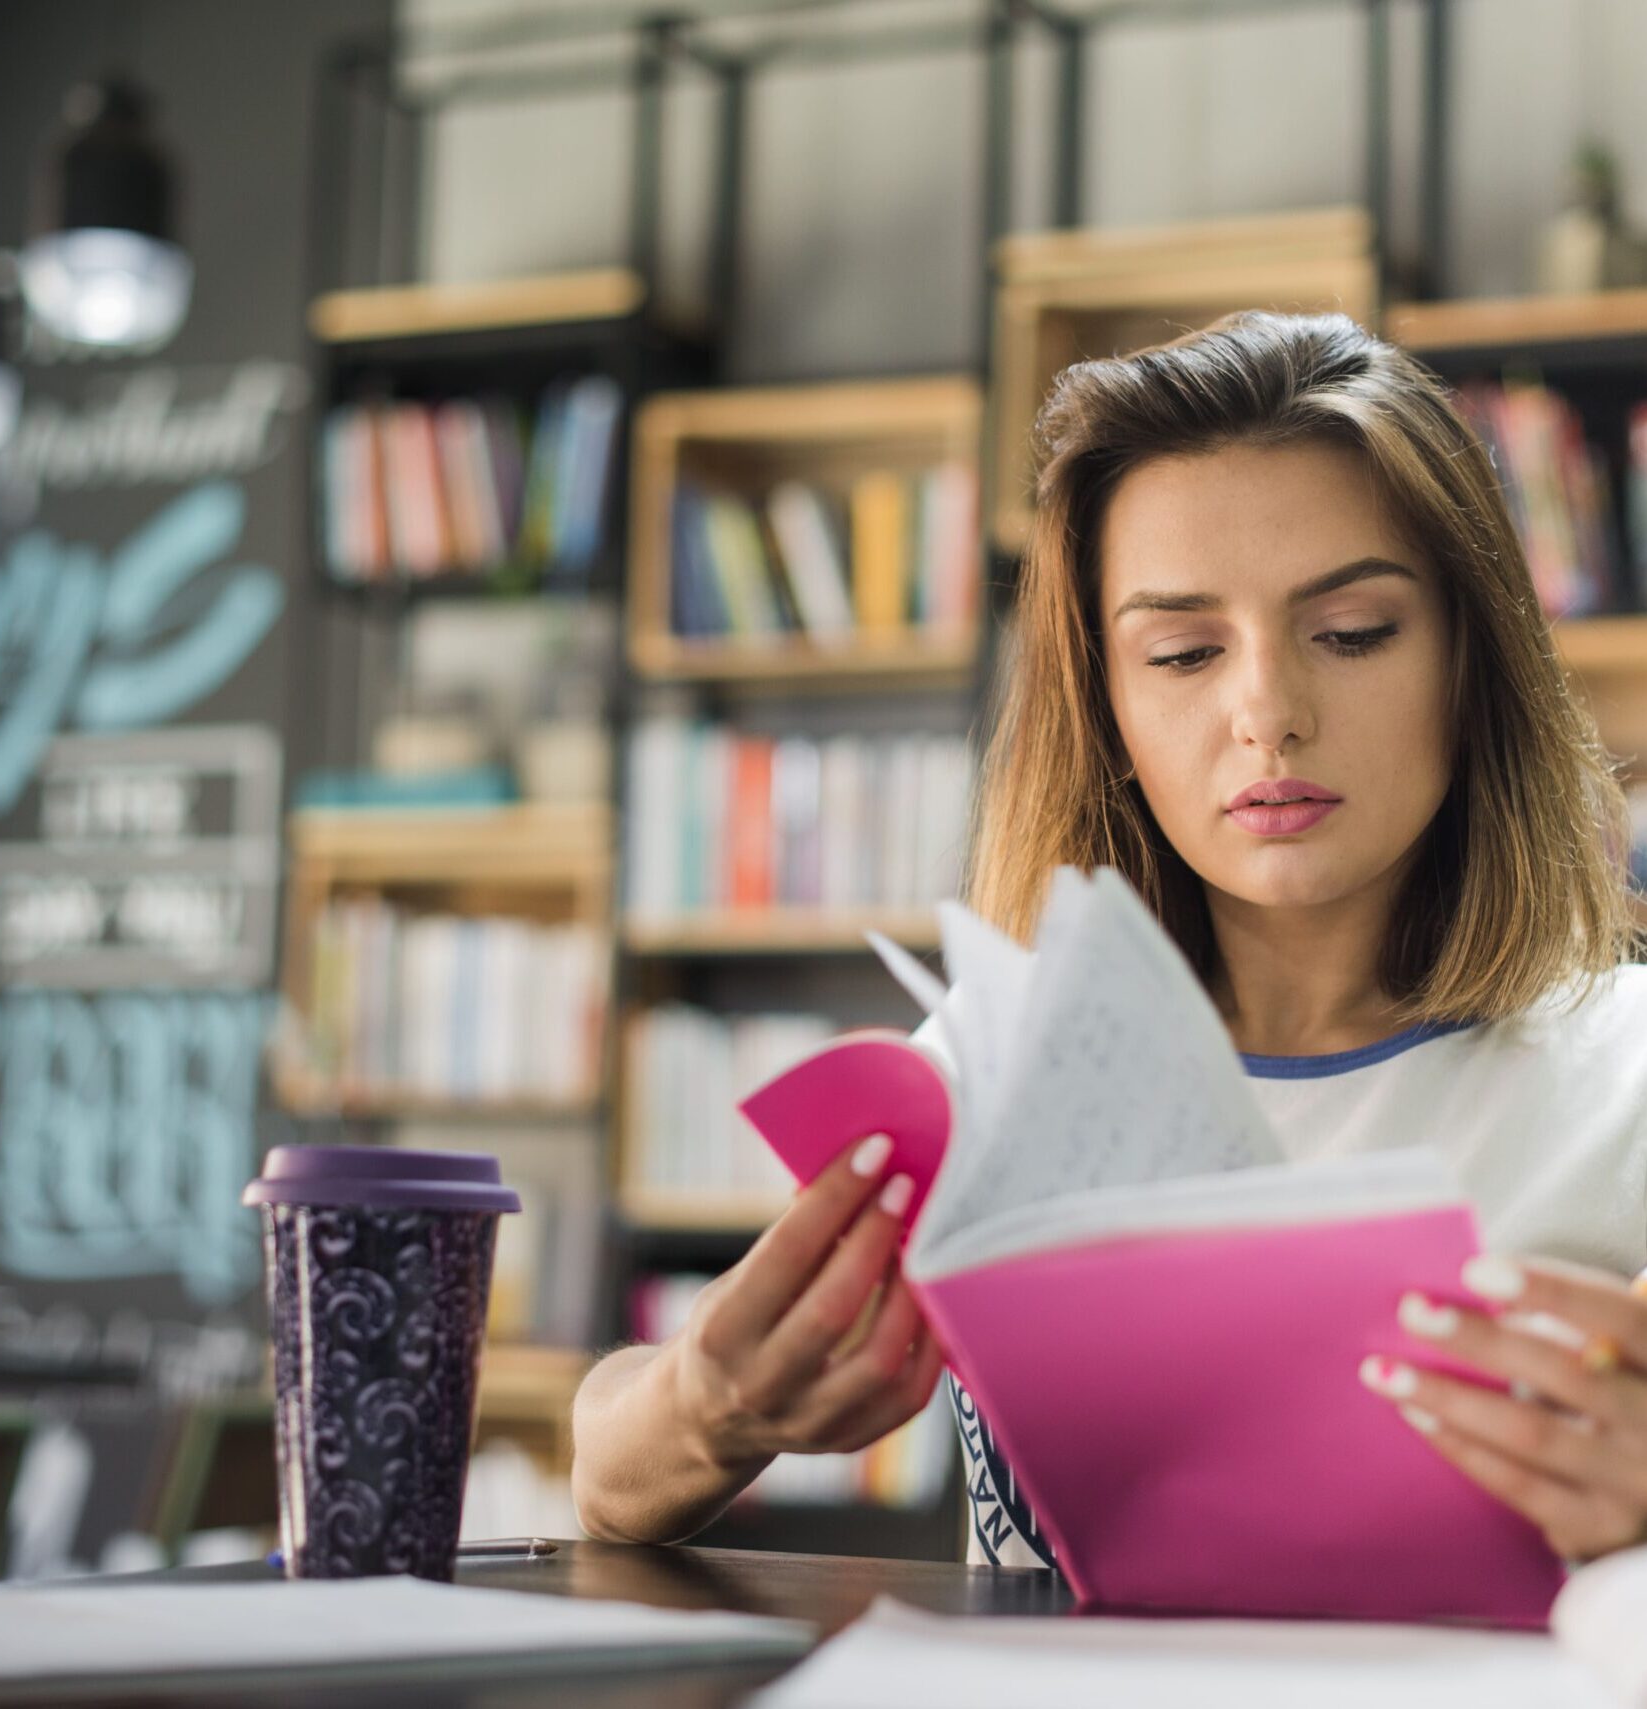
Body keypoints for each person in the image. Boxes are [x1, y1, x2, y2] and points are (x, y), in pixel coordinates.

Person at [570, 310, 1647, 1572]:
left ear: (1471, 660)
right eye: (1183, 651)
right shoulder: (996, 1062)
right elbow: (603, 1469)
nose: (1267, 714)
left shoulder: (1621, 1075)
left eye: (1350, 633)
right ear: (1107, 705)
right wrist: (709, 1402)